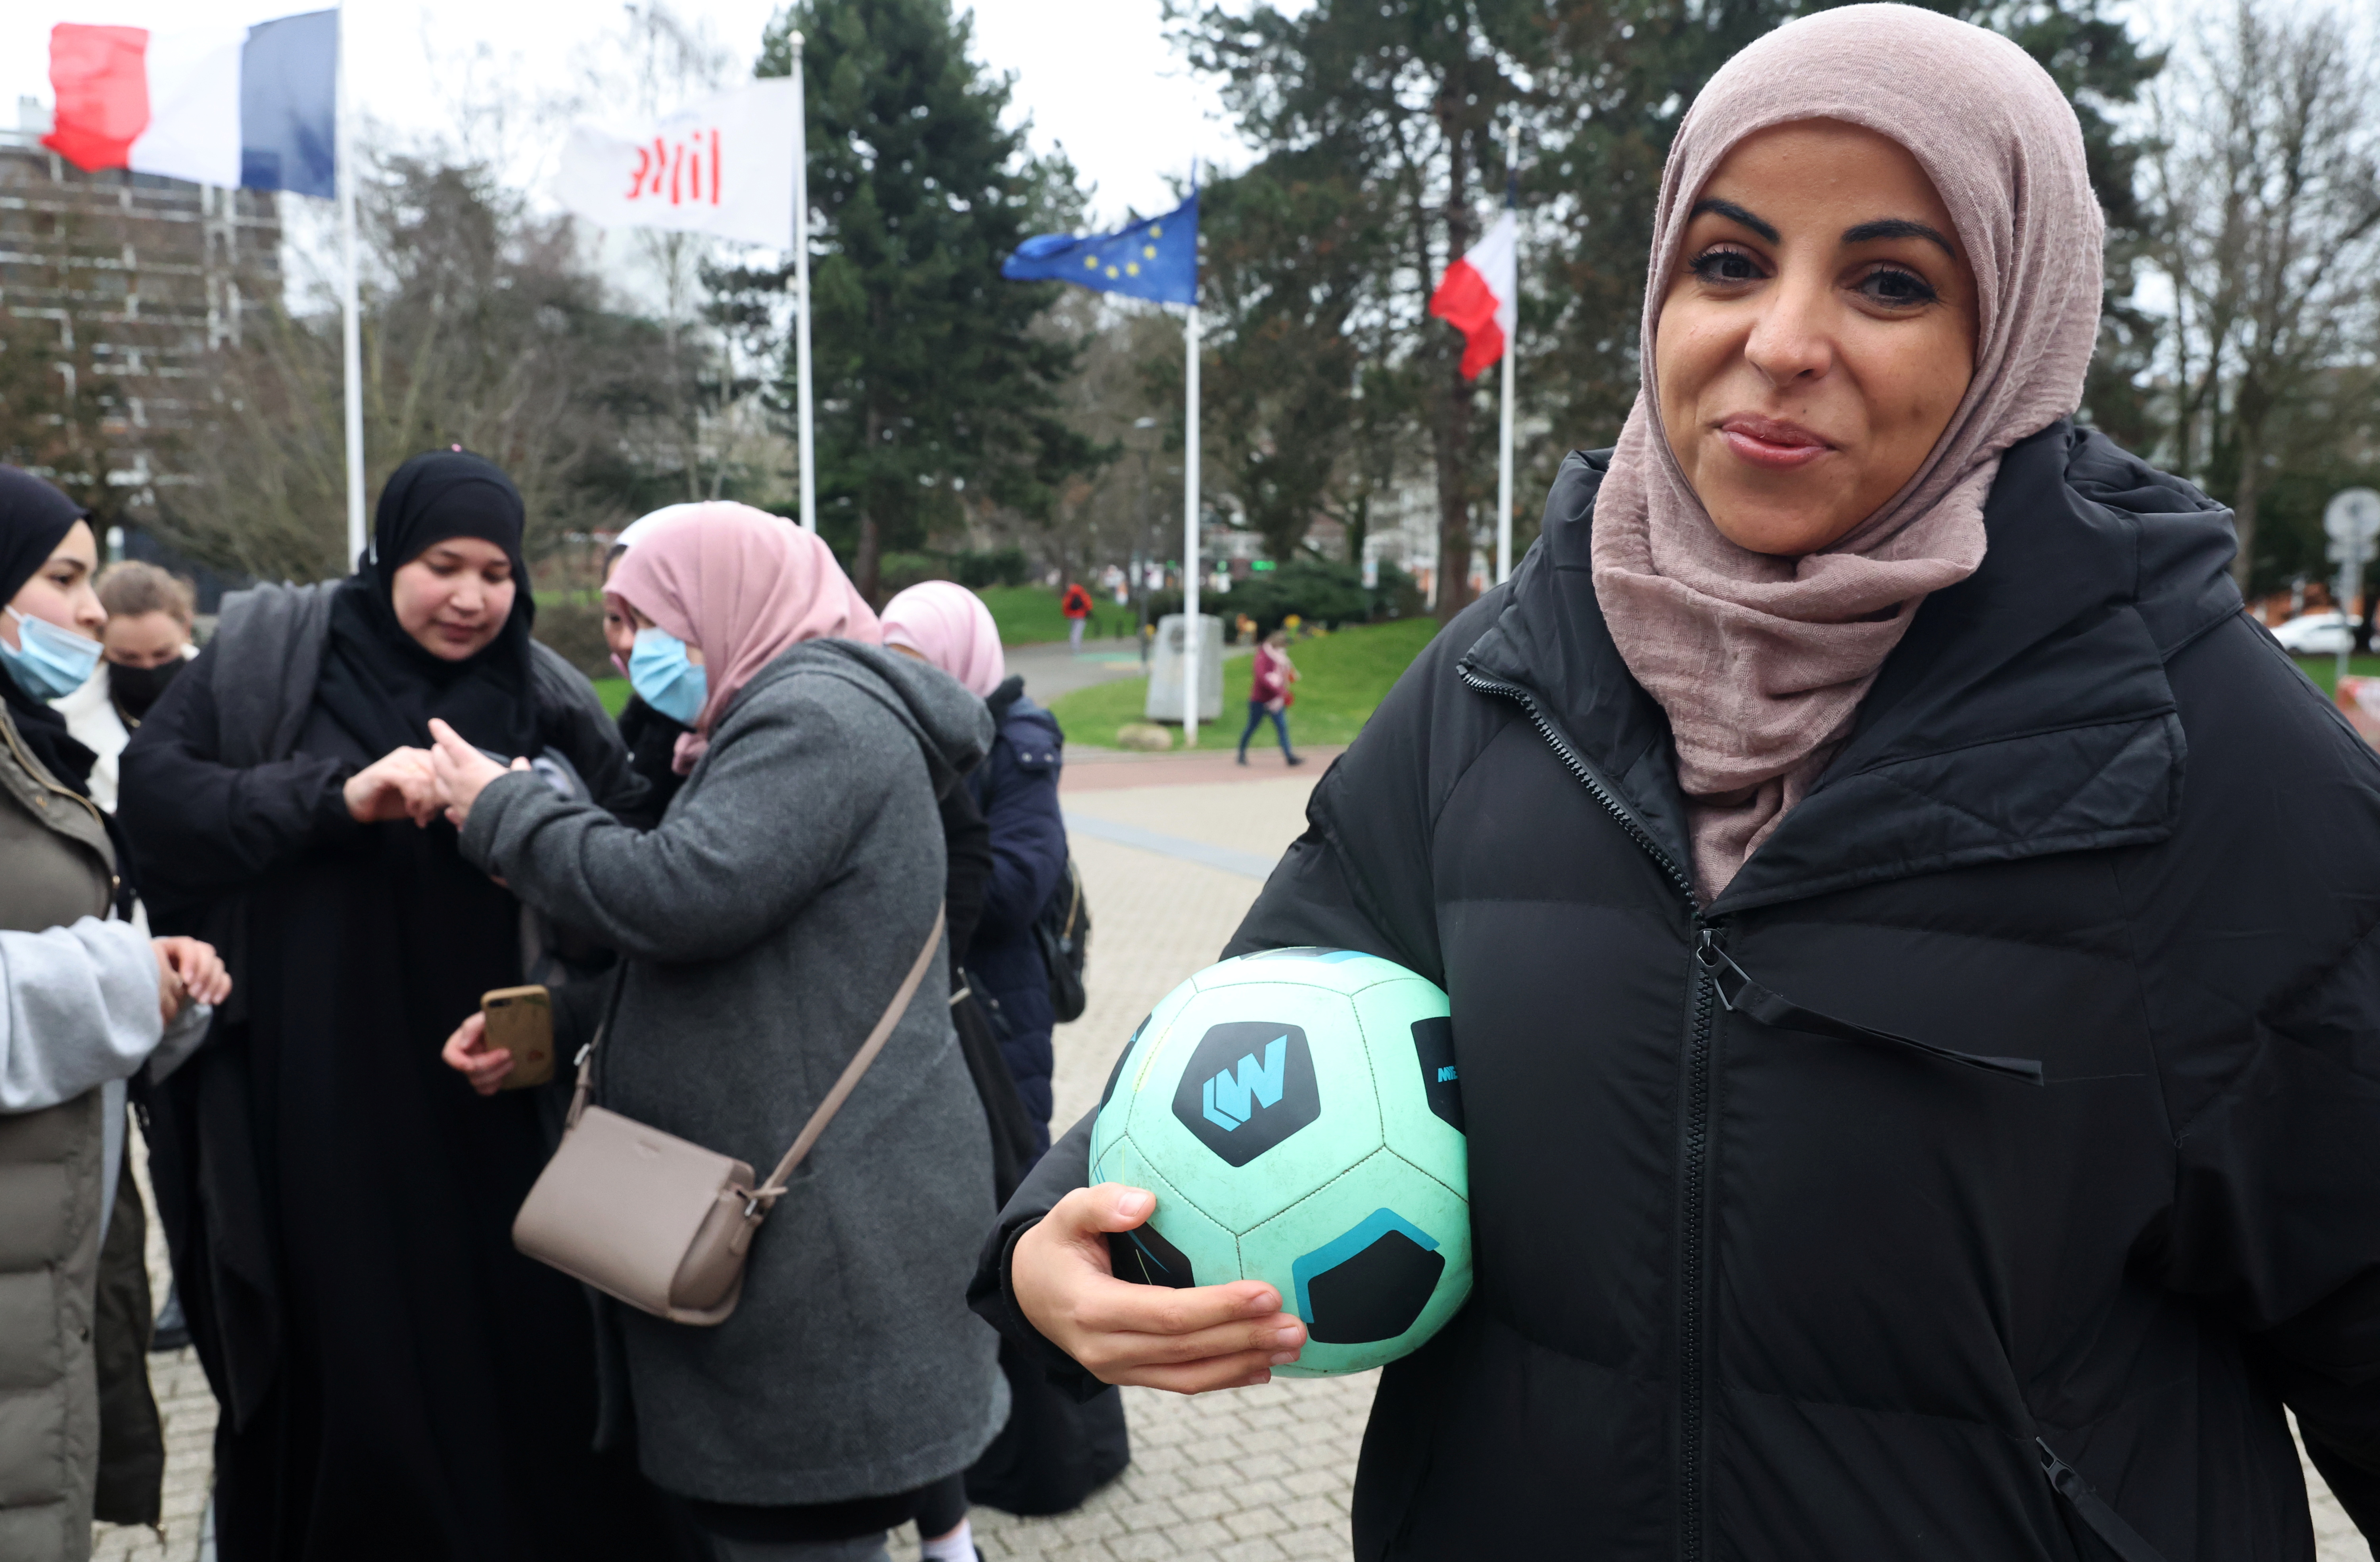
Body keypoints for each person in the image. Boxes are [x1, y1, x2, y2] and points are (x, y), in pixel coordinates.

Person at [975, 10, 2380, 1554]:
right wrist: (1066, 1228)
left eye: (1891, 280)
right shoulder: (1503, 675)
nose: (1779, 338)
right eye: (1729, 260)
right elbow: (1257, 1013)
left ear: (2021, 325)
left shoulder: (2202, 744)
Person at [117, 450, 672, 1562]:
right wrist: (338, 795)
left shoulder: (547, 695)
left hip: (496, 1100)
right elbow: (159, 800)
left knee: (522, 1349)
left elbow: (636, 890)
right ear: (389, 557)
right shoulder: (276, 660)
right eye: (441, 565)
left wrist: (554, 1024)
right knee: (355, 1350)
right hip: (321, 1091)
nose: (471, 597)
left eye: (498, 572)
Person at [432, 503, 1005, 1562]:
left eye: (644, 616)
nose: (623, 644)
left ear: (729, 600)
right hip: (809, 1233)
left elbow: (679, 896)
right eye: (609, 618)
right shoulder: (781, 714)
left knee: (798, 1532)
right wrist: (562, 1025)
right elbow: (748, 970)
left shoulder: (816, 718)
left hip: (824, 1249)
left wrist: (500, 810)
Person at [0, 466, 228, 1561]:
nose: (89, 612)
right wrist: (123, 979)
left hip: (50, 1271)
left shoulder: (28, 741)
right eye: (62, 577)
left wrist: (152, 969)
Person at [883, 581, 1069, 1147]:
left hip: (998, 1001)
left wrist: (894, 875)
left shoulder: (1017, 743)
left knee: (1007, 1165)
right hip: (924, 993)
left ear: (958, 660)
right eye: (891, 670)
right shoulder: (903, 737)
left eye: (920, 668)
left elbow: (1017, 887)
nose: (908, 688)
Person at [52, 561, 199, 814]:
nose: (148, 667)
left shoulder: (231, 698)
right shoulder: (66, 718)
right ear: (100, 639)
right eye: (129, 658)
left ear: (186, 627)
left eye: (162, 654)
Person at [1234, 628, 1302, 767]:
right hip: (1260, 699)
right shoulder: (1263, 656)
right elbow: (1261, 677)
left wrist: (1286, 684)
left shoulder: (1282, 659)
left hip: (1276, 700)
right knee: (1252, 726)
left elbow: (1284, 674)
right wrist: (1279, 691)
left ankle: (1289, 757)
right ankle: (1241, 753)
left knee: (1282, 727)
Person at [1060, 581, 1092, 653]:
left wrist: (1066, 614)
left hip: (1071, 616)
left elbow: (1065, 605)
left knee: (1073, 630)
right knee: (1078, 632)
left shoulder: (1069, 595)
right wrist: (1089, 612)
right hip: (1081, 616)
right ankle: (1076, 647)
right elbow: (1088, 604)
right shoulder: (1083, 594)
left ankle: (1073, 645)